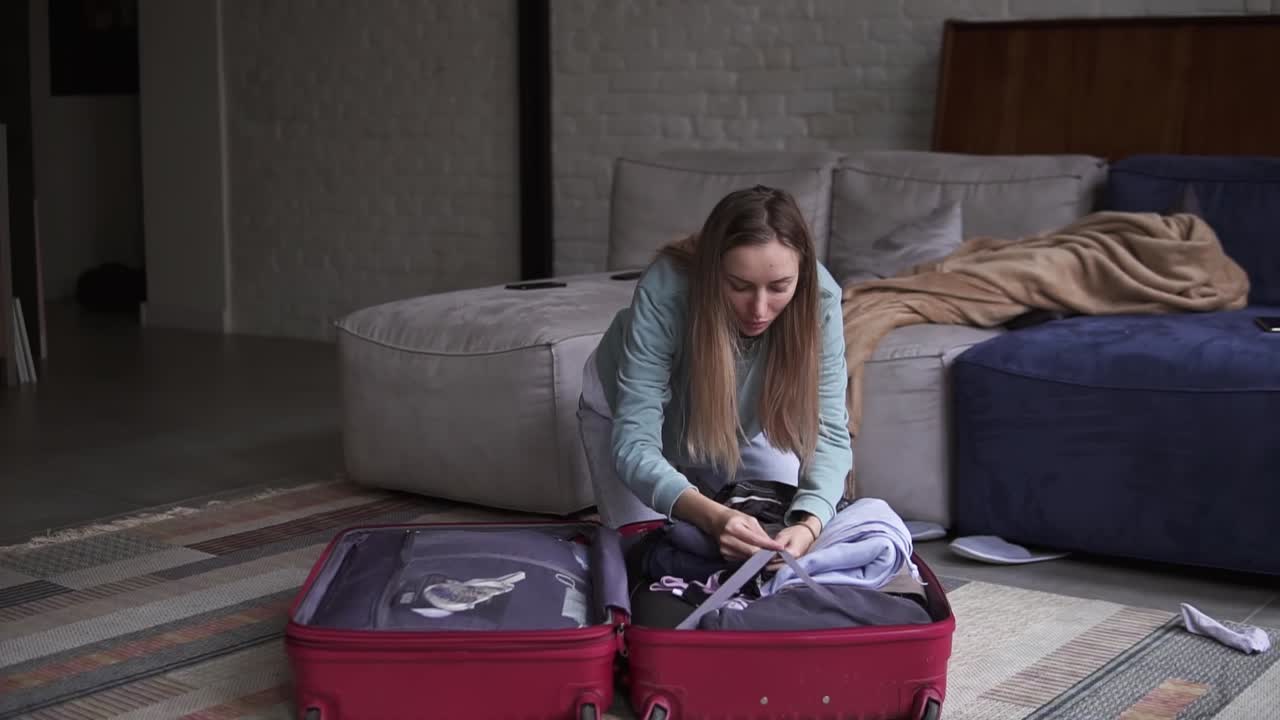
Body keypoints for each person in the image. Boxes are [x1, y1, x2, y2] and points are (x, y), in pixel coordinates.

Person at [576, 185, 854, 566]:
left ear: (801, 276)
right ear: (712, 272)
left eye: (778, 287)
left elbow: (830, 434)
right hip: (622, 418)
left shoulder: (820, 300)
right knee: (647, 557)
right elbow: (636, 444)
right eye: (739, 286)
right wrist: (713, 517)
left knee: (781, 534)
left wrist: (807, 526)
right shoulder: (667, 290)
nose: (759, 309)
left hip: (737, 426)